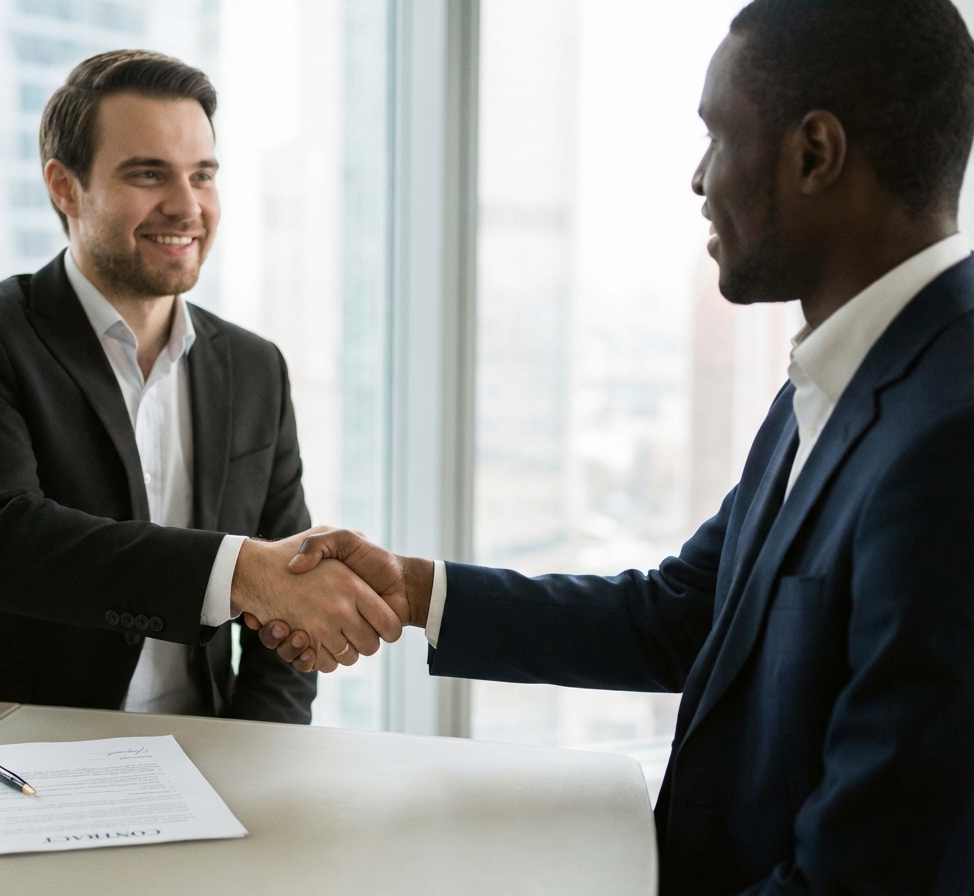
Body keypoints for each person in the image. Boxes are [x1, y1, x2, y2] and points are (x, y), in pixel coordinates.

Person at [257, 0, 974, 890]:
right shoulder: (834, 378)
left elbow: (873, 872)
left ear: (813, 155)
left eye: (719, 137)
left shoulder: (949, 439)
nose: (699, 178)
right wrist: (413, 592)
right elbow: (683, 614)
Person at [0, 50, 401, 721]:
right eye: (147, 174)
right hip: (10, 750)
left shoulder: (255, 368)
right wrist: (240, 570)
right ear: (64, 187)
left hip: (205, 751)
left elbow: (285, 620)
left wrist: (256, 758)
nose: (187, 205)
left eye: (203, 175)